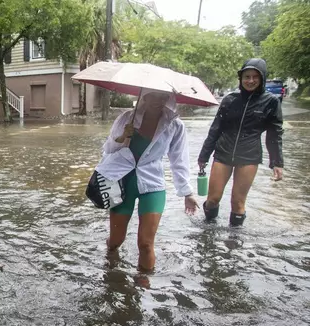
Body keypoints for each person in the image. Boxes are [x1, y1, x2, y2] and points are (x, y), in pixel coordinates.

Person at [98, 89, 199, 272]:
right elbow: (108, 150)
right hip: (122, 182)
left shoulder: (175, 125)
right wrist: (122, 138)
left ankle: (144, 287)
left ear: (168, 99)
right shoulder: (127, 118)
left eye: (163, 96)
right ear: (144, 96)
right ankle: (110, 266)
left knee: (145, 244)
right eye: (153, 95)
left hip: (153, 184)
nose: (158, 100)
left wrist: (187, 192)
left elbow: (179, 159)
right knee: (115, 241)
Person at [198, 58, 283, 227]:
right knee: (213, 199)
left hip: (249, 155)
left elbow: (275, 134)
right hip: (223, 153)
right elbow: (215, 129)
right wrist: (204, 155)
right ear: (241, 78)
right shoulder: (230, 99)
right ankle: (207, 230)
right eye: (247, 76)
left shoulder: (271, 101)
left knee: (238, 202)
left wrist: (277, 162)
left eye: (255, 77)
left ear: (262, 79)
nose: (250, 81)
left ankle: (234, 241)